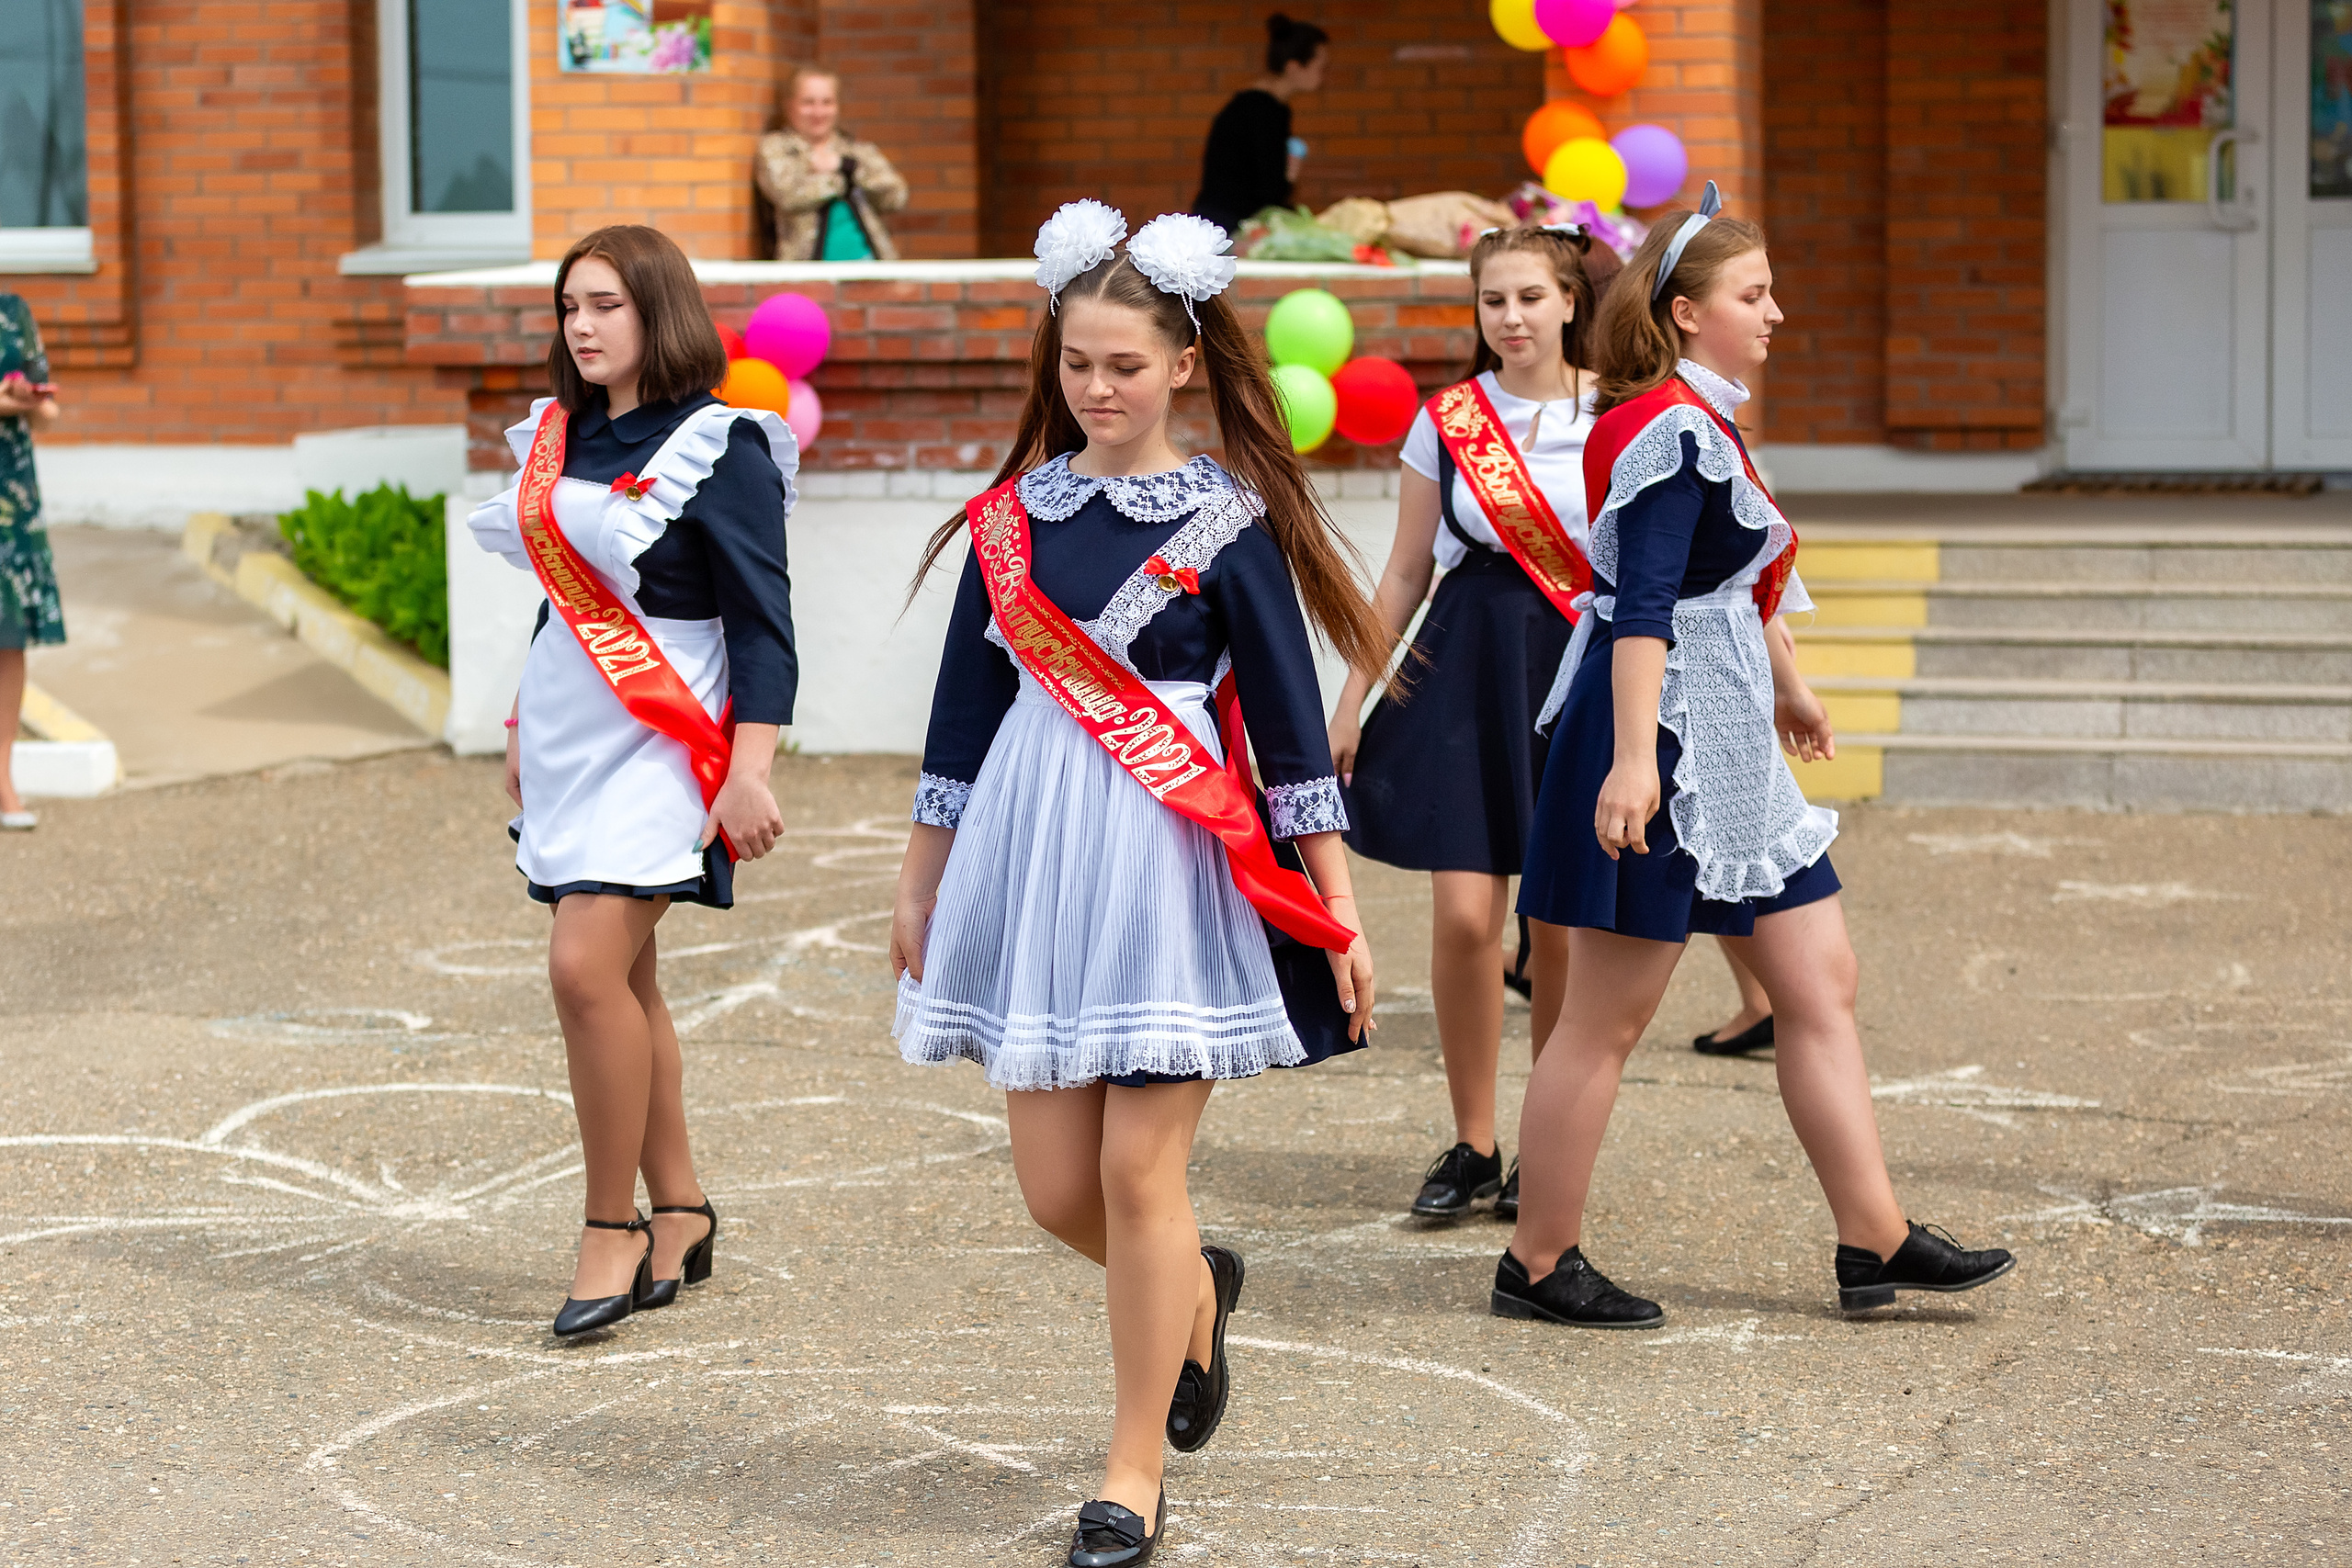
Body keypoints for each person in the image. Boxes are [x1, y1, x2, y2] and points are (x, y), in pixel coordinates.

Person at [890, 201, 1385, 1566]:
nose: (1095, 391)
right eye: (1075, 366)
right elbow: (960, 721)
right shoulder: (1011, 522)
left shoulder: (1229, 526)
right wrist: (921, 878)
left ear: (1181, 364)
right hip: (1035, 855)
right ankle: (1196, 1302)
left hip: (1177, 865)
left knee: (1135, 1167)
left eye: (1122, 366)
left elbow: (1290, 737)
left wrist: (1334, 906)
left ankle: (1128, 1471)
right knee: (1059, 1191)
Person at [1495, 186, 2015, 1327]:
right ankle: (1536, 1260)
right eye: (1754, 293)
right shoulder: (1669, 429)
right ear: (1686, 313)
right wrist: (1633, 762)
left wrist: (1789, 687)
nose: (1775, 311)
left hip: (1722, 728)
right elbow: (1641, 608)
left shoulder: (1701, 418)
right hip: (1662, 736)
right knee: (1605, 1016)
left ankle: (1872, 1240)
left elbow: (1724, 588)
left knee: (1819, 982)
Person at [468, 225, 799, 1337]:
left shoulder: (724, 443)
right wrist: (519, 713)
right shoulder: (556, 436)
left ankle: (609, 1224)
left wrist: (750, 768)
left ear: (659, 309)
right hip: (569, 721)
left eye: (606, 304)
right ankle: (685, 1207)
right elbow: (562, 593)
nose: (584, 327)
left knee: (582, 970)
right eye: (570, 309)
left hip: (670, 731)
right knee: (630, 982)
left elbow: (764, 623)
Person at [1326, 226, 1597, 1225]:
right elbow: (1404, 571)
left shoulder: (1621, 412)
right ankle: (1474, 1140)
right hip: (1466, 668)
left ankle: (1546, 1141)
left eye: (1529, 297)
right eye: (1492, 301)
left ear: (1570, 301)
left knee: (1559, 926)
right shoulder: (1449, 419)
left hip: (1577, 669)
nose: (1511, 318)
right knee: (1467, 918)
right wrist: (1348, 700)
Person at [0, 293, 62, 833]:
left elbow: (48, 415)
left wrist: (31, 400)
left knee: (9, 638)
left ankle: (4, 782)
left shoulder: (16, 312)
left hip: (12, 499)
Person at [1190, 15, 1329, 237]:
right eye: (1321, 68)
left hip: (1221, 219)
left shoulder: (1257, 105)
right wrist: (1289, 176)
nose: (1323, 77)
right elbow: (1271, 189)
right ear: (1293, 67)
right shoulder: (1264, 111)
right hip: (1230, 226)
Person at [755, 65, 910, 261]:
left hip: (869, 267)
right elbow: (787, 194)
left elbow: (897, 196)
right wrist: (841, 180)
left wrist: (847, 167)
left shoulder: (856, 151)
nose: (818, 112)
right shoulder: (777, 149)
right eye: (808, 102)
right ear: (789, 105)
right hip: (805, 272)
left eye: (827, 102)